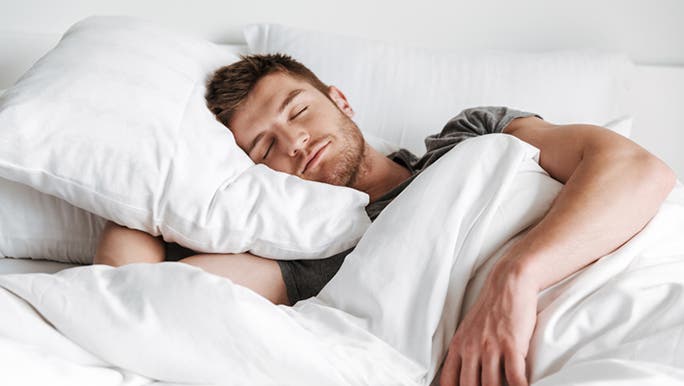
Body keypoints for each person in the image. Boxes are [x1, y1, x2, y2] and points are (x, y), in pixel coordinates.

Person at [93, 53, 676, 386]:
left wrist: (516, 278)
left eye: (298, 112)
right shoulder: (314, 260)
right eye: (264, 148)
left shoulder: (469, 137)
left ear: (340, 100)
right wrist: (157, 178)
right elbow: (138, 294)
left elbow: (635, 169)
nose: (294, 142)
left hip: (630, 297)